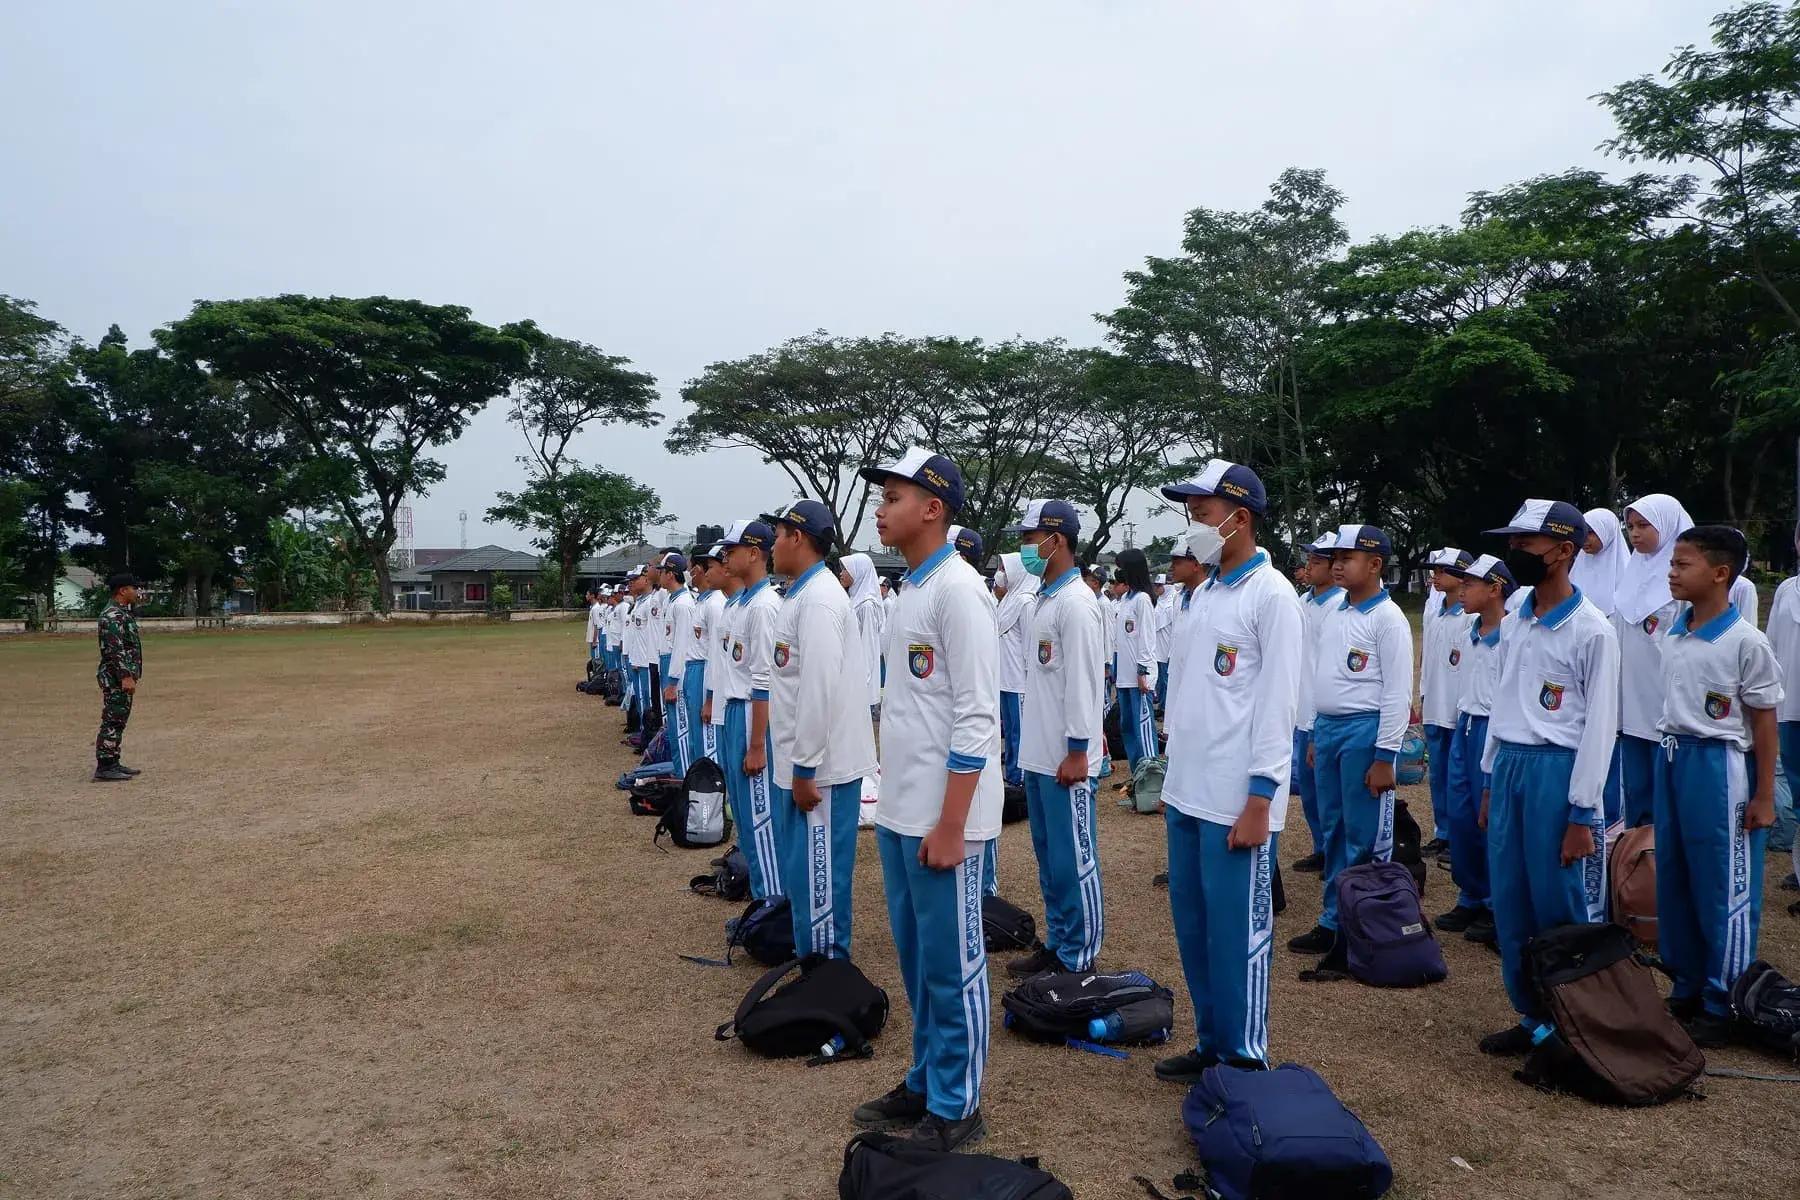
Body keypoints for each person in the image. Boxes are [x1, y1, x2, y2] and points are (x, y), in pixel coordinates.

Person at [850, 447, 998, 1153]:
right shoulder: (910, 587)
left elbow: (976, 716)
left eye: (894, 495)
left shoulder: (959, 590)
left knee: (954, 960)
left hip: (946, 817)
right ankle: (925, 1078)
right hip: (902, 808)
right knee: (916, 959)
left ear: (933, 508)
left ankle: (958, 1103)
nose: (880, 507)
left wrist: (952, 821)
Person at [1153, 461, 1302, 1081]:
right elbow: (1187, 692)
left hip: (1236, 797)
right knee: (1195, 927)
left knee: (1238, 936)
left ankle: (1243, 1057)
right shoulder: (1204, 592)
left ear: (1239, 519)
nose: (1193, 527)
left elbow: (1277, 704)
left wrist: (1261, 797)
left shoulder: (1272, 597)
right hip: (1190, 789)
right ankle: (1212, 1040)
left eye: (1203, 514)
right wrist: (1171, 777)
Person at [1477, 499, 1618, 1056]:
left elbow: (1599, 728)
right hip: (1510, 765)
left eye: (1526, 544)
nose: (1515, 553)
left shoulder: (1592, 632)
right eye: (1512, 544)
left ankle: (1574, 1023)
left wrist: (1583, 812)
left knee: (1557, 903)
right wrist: (1489, 778)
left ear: (1563, 551)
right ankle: (1532, 1014)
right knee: (1511, 899)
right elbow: (1502, 702)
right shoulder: (1518, 619)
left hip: (1556, 774)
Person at [1653, 525, 1781, 1045]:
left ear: (1721, 573)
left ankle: (1721, 995)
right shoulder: (1676, 629)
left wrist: (1764, 794)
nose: (1672, 572)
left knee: (1722, 883)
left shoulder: (1746, 641)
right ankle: (1684, 983)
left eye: (1683, 564)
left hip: (1720, 765)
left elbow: (1764, 720)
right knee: (1676, 876)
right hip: (1672, 756)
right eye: (1673, 563)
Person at [1287, 524, 1413, 958]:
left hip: (1364, 730)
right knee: (1334, 825)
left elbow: (1397, 693)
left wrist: (1385, 755)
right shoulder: (1337, 610)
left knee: (1362, 835)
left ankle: (1360, 922)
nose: (1338, 565)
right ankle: (1333, 918)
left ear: (1375, 564)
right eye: (1334, 558)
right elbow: (1323, 675)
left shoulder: (1387, 618)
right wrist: (1315, 730)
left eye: (1348, 558)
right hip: (1329, 728)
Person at [765, 500, 877, 960]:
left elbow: (818, 688)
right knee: (804, 871)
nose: (772, 543)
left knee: (820, 872)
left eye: (778, 533)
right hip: (806, 762)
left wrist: (806, 766)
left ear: (798, 537)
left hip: (821, 768)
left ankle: (827, 969)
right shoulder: (801, 594)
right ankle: (811, 959)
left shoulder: (819, 599)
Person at [1001, 499, 1105, 979]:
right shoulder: (1044, 598)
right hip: (1041, 754)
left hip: (1068, 756)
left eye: (1028, 539)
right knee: (1049, 856)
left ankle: (1079, 953)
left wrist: (1079, 750)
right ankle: (1059, 941)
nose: (1023, 548)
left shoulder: (1077, 604)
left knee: (1073, 858)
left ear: (1055, 540)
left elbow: (1084, 682)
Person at [1435, 554, 1516, 943]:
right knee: (1461, 814)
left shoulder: (1514, 635)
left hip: (1493, 728)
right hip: (1466, 723)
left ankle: (1497, 904)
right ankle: (1470, 894)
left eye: (1470, 585)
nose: (1462, 591)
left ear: (1496, 588)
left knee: (1492, 820)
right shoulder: (1468, 630)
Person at [1616, 494, 1694, 828]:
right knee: (1637, 790)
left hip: (1668, 704)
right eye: (1631, 526)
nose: (1635, 533)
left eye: (1644, 525)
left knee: (1670, 792)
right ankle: (1638, 864)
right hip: (1631, 703)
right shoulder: (1630, 574)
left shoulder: (1685, 582)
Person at [719, 522, 784, 900]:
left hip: (751, 716)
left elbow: (765, 681)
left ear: (755, 553)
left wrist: (758, 744)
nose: (726, 556)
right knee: (744, 815)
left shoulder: (763, 607)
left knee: (761, 817)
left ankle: (771, 902)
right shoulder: (743, 603)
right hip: (735, 710)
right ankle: (759, 892)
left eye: (733, 548)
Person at [1290, 536, 1341, 874]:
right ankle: (1321, 846)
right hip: (1299, 707)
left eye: (1318, 561)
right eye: (1309, 559)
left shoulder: (1340, 605)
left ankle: (1335, 851)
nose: (1310, 566)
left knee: (1330, 792)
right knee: (1308, 789)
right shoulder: (1302, 602)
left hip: (1323, 711)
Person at [1420, 548, 1473, 854]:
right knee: (1438, 774)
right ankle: (1443, 830)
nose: (1435, 577)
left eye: (1442, 571)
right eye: (1434, 572)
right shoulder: (1435, 611)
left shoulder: (1469, 616)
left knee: (1459, 778)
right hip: (1434, 705)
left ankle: (1459, 836)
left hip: (1456, 706)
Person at [995, 551, 1040, 790]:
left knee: (1019, 731)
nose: (1001, 573)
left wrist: (1028, 677)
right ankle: (1012, 772)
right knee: (1010, 730)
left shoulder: (1026, 601)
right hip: (1004, 678)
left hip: (1019, 680)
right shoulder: (1009, 600)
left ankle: (1020, 776)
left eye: (1004, 568)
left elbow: (1029, 645)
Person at [1111, 549, 1160, 772]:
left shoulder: (1142, 600)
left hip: (1139, 677)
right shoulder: (1125, 600)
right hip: (1123, 677)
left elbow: (1147, 640)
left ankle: (1151, 776)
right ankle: (1137, 777)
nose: (1118, 574)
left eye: (1122, 569)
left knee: (1143, 728)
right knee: (1127, 728)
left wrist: (1143, 672)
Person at [93, 572, 144, 782]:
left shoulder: (121, 614)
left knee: (118, 720)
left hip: (122, 676)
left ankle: (113, 761)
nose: (137, 592)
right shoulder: (112, 616)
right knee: (112, 720)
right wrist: (125, 676)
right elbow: (115, 650)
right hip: (116, 678)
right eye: (133, 588)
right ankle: (105, 766)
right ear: (123, 590)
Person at [659, 553, 698, 777]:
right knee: (672, 727)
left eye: (662, 571)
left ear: (671, 574)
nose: (660, 575)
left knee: (680, 727)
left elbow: (682, 644)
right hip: (667, 662)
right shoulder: (672, 600)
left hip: (678, 670)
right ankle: (678, 771)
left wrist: (673, 681)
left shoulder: (683, 604)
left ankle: (684, 776)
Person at [701, 545, 739, 767]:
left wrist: (710, 698)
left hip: (740, 699)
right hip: (724, 692)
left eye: (711, 567)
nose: (707, 573)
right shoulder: (727, 605)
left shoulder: (720, 606)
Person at [842, 553, 886, 722]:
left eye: (846, 569)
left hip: (859, 680)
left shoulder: (866, 605)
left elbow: (868, 646)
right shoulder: (854, 600)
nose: (842, 573)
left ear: (859, 572)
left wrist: (861, 683)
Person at [1571, 509, 1628, 617]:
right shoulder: (1578, 568)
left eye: (1591, 532)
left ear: (1607, 531)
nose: (1584, 539)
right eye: (1582, 533)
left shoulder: (1629, 575)